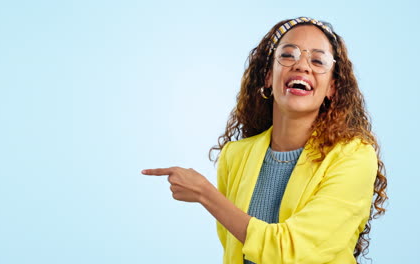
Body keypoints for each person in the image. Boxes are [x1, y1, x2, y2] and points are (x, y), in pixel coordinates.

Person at [142, 17, 387, 264]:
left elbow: (292, 251)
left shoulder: (353, 157)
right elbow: (235, 249)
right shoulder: (235, 156)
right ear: (269, 77)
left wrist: (205, 194)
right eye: (288, 55)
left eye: (317, 60)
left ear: (332, 89)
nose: (302, 65)